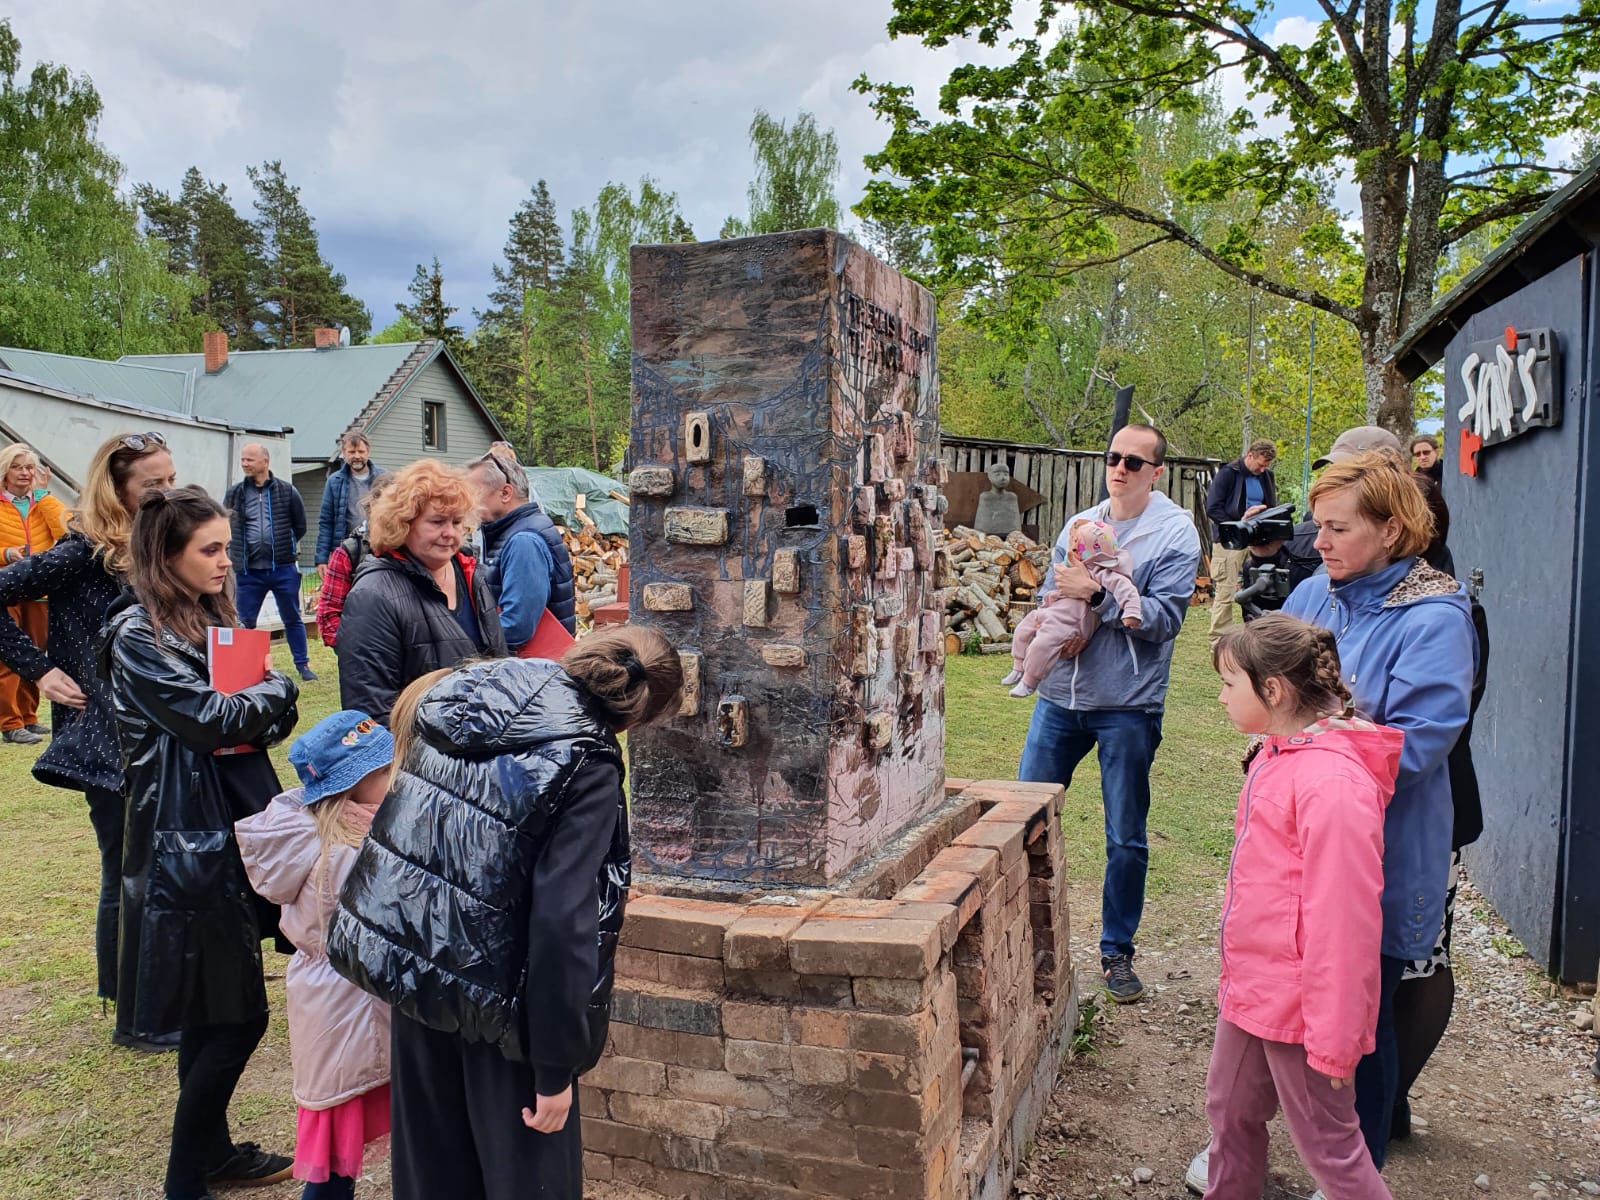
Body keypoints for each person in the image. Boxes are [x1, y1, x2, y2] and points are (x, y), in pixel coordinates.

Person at [1187, 449, 1473, 1195]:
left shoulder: (1437, 613)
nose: (1319, 542)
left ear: (1392, 527)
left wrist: (1319, 757)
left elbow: (1426, 734)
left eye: (1339, 528)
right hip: (1298, 828)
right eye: (1317, 526)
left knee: (1359, 1017)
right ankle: (1260, 1151)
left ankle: (1351, 1167)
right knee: (1285, 1003)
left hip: (1376, 836)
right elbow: (1272, 687)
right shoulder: (1317, 591)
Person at [326, 627, 684, 1200]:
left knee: (432, 1176)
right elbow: (564, 923)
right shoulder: (586, 760)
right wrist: (553, 1068)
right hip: (507, 1008)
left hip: (420, 975)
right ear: (638, 718)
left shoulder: (468, 690)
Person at [100, 485, 301, 1199]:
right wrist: (271, 690)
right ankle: (186, 1179)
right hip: (186, 844)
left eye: (227, 548)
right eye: (210, 550)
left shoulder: (206, 619)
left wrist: (264, 701)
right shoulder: (136, 636)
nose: (226, 562)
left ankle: (211, 1156)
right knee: (236, 1016)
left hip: (234, 824)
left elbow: (263, 723)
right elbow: (216, 721)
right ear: (167, 555)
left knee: (215, 1007)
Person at [1205, 614, 1401, 1200]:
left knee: (1333, 1151)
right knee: (1230, 1111)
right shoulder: (1279, 752)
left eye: (1228, 683)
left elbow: (1345, 923)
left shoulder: (1331, 784)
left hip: (1301, 1009)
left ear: (1273, 690)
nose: (1219, 697)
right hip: (1254, 989)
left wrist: (1336, 1037)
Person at [0, 432, 177, 1039]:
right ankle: (128, 1008)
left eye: (169, 479)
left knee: (153, 864)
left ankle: (145, 992)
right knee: (124, 867)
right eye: (152, 483)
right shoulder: (80, 551)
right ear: (118, 487)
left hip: (154, 726)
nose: (165, 491)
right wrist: (40, 670)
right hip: (101, 732)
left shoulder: (156, 540)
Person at [1018, 423, 1202, 1004]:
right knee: (1022, 821)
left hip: (1126, 704)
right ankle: (1021, 938)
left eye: (1133, 461)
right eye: (1113, 457)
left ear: (1156, 471)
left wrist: (1098, 600)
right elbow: (1053, 589)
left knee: (1125, 836)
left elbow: (1165, 622)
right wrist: (1057, 619)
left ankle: (1116, 951)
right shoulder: (1083, 522)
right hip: (1058, 701)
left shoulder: (1174, 534)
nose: (1119, 467)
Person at [235, 710, 394, 1200]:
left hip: (338, 1005)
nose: (399, 778)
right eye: (387, 772)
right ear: (355, 787)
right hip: (353, 1009)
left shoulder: (323, 835)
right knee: (331, 1162)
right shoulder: (347, 855)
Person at [336, 459, 506, 725]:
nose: (450, 533)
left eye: (457, 521)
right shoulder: (373, 595)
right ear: (403, 523)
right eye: (437, 521)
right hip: (422, 757)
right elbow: (370, 709)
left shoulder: (471, 573)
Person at [1002, 517, 1141, 697]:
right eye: (1074, 543)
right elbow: (1052, 584)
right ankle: (1018, 666)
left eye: (1080, 546)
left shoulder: (1103, 572)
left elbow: (1127, 591)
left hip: (1070, 623)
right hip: (1050, 611)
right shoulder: (1073, 564)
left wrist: (1132, 612)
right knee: (1022, 629)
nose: (1074, 548)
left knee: (1042, 645)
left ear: (1095, 551)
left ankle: (1029, 681)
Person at [466, 442, 577, 647]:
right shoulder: (516, 532)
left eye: (474, 494)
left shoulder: (524, 542)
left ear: (506, 493)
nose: (469, 503)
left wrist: (461, 644)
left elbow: (516, 626)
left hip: (530, 672)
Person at [226, 442, 316, 681]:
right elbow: (226, 525)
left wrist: (284, 548)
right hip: (248, 571)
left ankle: (303, 666)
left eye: (249, 460)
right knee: (245, 623)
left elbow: (300, 526)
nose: (245, 464)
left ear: (265, 462)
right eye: (243, 460)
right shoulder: (234, 494)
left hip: (283, 568)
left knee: (292, 618)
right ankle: (244, 668)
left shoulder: (287, 491)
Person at [1316, 424, 1452, 576]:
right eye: (1334, 468)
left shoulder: (1423, 500)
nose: (1337, 477)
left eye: (1338, 528)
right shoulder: (1317, 585)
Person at [0, 443, 69, 743]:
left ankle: (28, 717)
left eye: (30, 467)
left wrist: (44, 495)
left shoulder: (42, 501)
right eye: (19, 467)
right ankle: (9, 722)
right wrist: (6, 553)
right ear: (6, 471)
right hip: (5, 586)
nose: (26, 473)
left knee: (36, 653)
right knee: (7, 656)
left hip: (39, 588)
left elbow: (65, 532)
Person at [1204, 439, 1277, 646]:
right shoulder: (1228, 474)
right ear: (1250, 456)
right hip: (1231, 541)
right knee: (1226, 591)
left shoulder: (1266, 477)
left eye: (1266, 466)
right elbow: (1212, 507)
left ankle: (1258, 637)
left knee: (1261, 587)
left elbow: (1271, 506)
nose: (1262, 470)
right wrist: (1238, 524)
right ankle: (1219, 640)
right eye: (1260, 464)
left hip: (1258, 540)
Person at [316, 472, 394, 650]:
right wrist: (352, 649)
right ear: (371, 507)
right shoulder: (349, 551)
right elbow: (329, 613)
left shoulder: (418, 549)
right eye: (386, 506)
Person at [316, 432, 387, 582]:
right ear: (344, 453)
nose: (357, 456)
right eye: (351, 452)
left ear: (368, 451)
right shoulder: (334, 482)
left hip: (378, 549)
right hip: (346, 550)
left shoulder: (383, 478)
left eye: (361, 451)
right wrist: (321, 558)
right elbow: (326, 522)